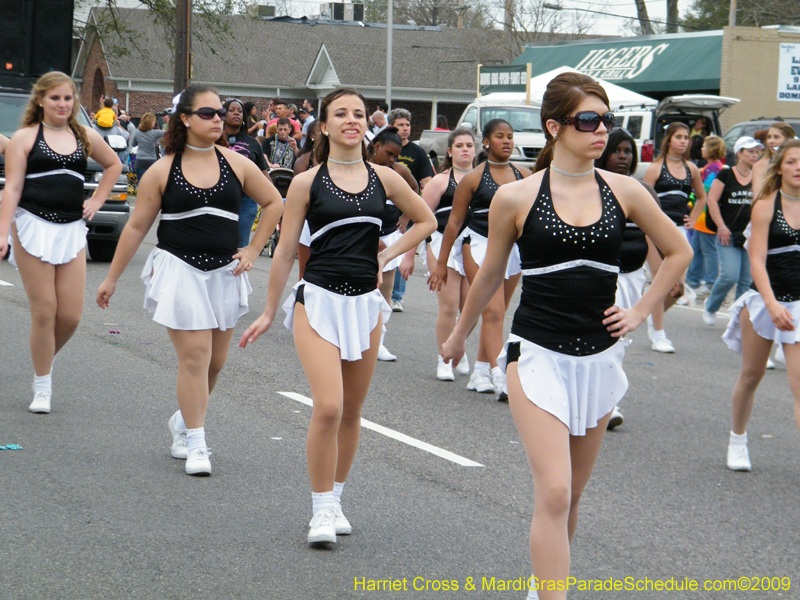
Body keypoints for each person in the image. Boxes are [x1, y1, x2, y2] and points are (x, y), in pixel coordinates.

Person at [441, 72, 691, 600]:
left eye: (607, 121)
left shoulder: (626, 190)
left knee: (572, 497)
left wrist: (641, 310)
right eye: (588, 121)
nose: (602, 132)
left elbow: (679, 251)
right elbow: (489, 274)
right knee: (553, 491)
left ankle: (543, 586)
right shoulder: (516, 196)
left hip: (600, 359)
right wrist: (459, 336)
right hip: (536, 355)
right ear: (555, 127)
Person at [239, 88, 436, 546]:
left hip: (365, 304)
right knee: (328, 405)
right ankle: (321, 509)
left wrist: (388, 256)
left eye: (359, 114)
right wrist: (270, 310)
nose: (352, 120)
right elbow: (286, 249)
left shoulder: (385, 178)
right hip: (319, 300)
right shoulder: (308, 181)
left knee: (351, 411)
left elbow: (425, 221)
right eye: (341, 114)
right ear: (323, 126)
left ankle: (338, 498)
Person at [96, 85, 284, 475]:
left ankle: (183, 420)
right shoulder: (163, 169)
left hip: (224, 272)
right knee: (196, 357)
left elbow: (274, 202)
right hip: (179, 268)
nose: (218, 118)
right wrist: (111, 278)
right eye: (207, 113)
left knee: (215, 362)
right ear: (184, 119)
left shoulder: (237, 163)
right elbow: (135, 227)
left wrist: (251, 249)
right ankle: (197, 442)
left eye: (220, 112)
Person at [0, 71, 122, 414]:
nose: (62, 104)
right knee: (45, 310)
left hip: (71, 229)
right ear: (40, 100)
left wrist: (97, 200)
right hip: (32, 225)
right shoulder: (25, 137)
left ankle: (42, 356)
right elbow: (11, 188)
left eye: (68, 98)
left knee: (69, 316)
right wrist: (2, 231)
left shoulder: (83, 134)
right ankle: (42, 384)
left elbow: (113, 165)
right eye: (55, 98)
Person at [429, 119, 531, 401]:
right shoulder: (474, 178)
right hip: (479, 246)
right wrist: (441, 263)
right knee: (493, 312)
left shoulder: (524, 175)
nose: (507, 141)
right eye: (500, 136)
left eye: (510, 136)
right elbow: (454, 222)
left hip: (513, 251)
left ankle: (480, 371)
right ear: (486, 142)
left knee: (498, 313)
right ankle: (502, 374)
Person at [721, 139, 800, 472]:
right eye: (792, 161)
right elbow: (756, 261)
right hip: (764, 300)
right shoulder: (767, 205)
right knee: (752, 376)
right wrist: (771, 305)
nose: (799, 168)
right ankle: (737, 440)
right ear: (779, 167)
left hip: (799, 306)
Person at [594, 127, 661, 430]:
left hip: (634, 275)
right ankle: (610, 400)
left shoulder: (643, 191)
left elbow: (657, 241)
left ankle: (603, 395)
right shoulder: (593, 188)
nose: (623, 157)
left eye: (628, 151)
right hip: (601, 276)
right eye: (617, 151)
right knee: (609, 337)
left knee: (619, 339)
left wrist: (663, 278)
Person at [642, 122, 706, 353]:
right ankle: (658, 333)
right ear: (669, 140)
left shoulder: (692, 169)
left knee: (678, 289)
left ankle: (648, 314)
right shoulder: (656, 168)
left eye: (686, 137)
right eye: (678, 136)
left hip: (680, 230)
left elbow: (701, 197)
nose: (683, 141)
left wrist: (694, 218)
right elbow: (643, 198)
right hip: (656, 230)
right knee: (661, 281)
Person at [421, 127, 475, 381]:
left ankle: (458, 348)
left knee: (469, 307)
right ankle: (443, 358)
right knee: (449, 305)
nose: (465, 149)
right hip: (442, 243)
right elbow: (420, 217)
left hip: (472, 245)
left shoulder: (482, 179)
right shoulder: (441, 181)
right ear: (450, 151)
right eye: (460, 145)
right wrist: (409, 256)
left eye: (469, 145)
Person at [368, 127, 420, 362]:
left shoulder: (399, 171)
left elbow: (415, 192)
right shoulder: (361, 168)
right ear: (376, 146)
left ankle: (378, 342)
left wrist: (406, 217)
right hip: (362, 236)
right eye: (389, 153)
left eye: (395, 156)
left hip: (389, 236)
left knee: (384, 293)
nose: (392, 159)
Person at [702, 137, 762, 326]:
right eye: (750, 151)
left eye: (756, 151)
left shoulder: (759, 177)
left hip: (750, 235)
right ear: (739, 153)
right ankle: (711, 306)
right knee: (730, 275)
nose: (754, 155)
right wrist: (721, 226)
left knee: (746, 280)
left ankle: (736, 317)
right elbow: (711, 200)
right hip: (727, 233)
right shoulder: (726, 175)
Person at [388, 108, 436, 311]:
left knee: (401, 251)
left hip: (407, 209)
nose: (405, 129)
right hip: (385, 207)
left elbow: (427, 183)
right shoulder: (385, 148)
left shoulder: (418, 153)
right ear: (392, 127)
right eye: (400, 125)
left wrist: (411, 215)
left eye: (407, 125)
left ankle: (396, 296)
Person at [222, 97, 272, 247]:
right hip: (218, 198)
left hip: (245, 201)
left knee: (239, 245)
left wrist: (274, 197)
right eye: (231, 110)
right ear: (223, 114)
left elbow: (263, 173)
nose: (236, 113)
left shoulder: (252, 142)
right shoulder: (215, 139)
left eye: (240, 111)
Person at [686, 135, 726, 294]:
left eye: (704, 146)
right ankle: (692, 280)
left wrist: (694, 193)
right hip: (701, 218)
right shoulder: (712, 167)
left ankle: (710, 282)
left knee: (709, 250)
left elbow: (706, 190)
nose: (701, 148)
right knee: (696, 248)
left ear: (711, 149)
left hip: (707, 217)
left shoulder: (714, 169)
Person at [752, 122, 796, 198]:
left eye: (776, 137)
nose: (771, 141)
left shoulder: (797, 164)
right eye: (769, 137)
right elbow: (757, 196)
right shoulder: (760, 165)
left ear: (788, 140)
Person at [131, 112, 166, 185]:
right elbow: (169, 132)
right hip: (151, 160)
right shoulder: (155, 133)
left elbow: (133, 144)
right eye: (153, 121)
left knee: (141, 184)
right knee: (151, 184)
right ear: (150, 122)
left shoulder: (137, 132)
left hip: (140, 160)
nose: (154, 122)